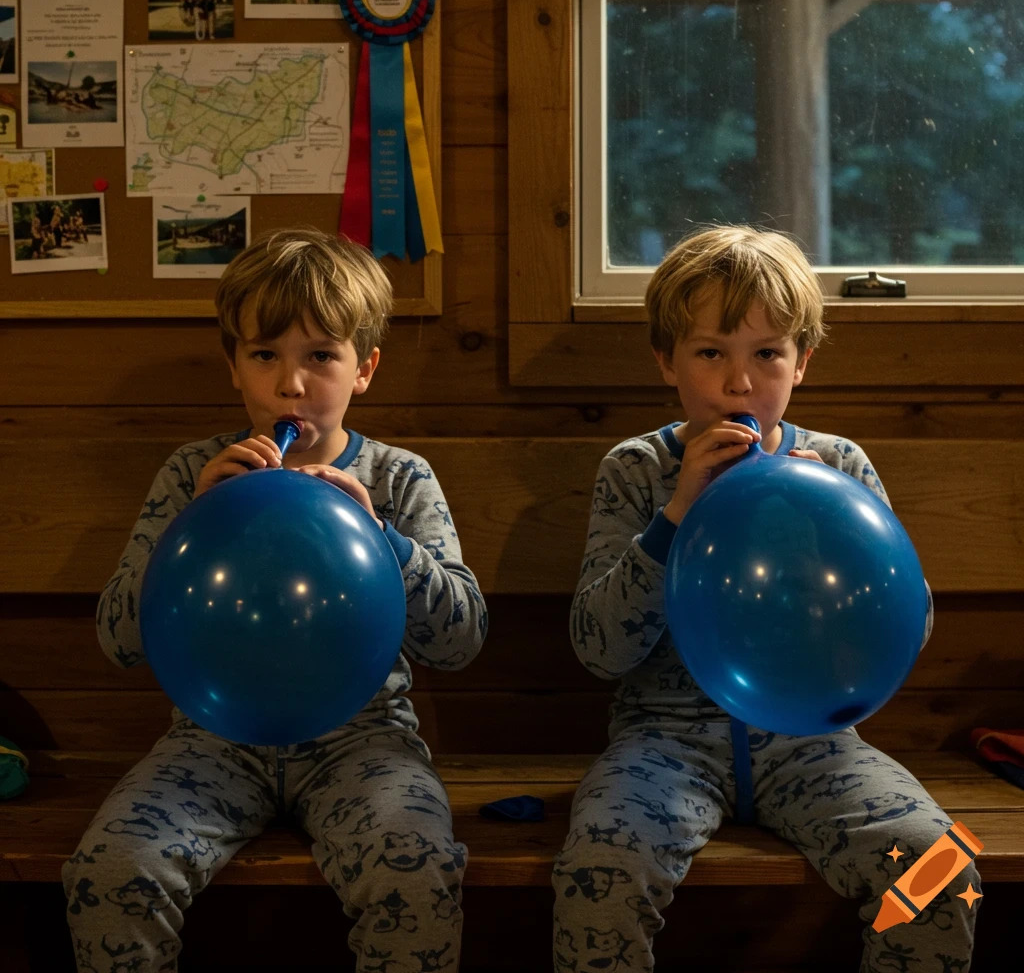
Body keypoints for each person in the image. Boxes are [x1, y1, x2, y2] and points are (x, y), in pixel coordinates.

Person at [552, 225, 981, 972]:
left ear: (802, 362)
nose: (739, 382)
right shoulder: (635, 471)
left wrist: (829, 530)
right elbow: (599, 648)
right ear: (667, 361)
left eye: (767, 353)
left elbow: (906, 630)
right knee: (598, 874)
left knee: (942, 868)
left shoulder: (840, 465)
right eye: (710, 352)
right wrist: (676, 515)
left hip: (815, 746)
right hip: (666, 745)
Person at [62, 229, 488, 973]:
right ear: (234, 366)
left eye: (321, 355)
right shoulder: (191, 472)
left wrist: (381, 536)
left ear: (365, 369)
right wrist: (190, 523)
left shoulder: (399, 477)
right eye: (265, 355)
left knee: (413, 872)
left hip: (365, 743)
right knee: (110, 872)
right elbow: (119, 640)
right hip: (211, 742)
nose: (291, 385)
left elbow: (461, 641)